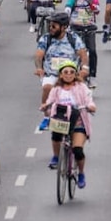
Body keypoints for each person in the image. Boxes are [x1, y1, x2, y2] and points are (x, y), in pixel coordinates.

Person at [43, 60, 96, 188]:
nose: (68, 74)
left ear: (75, 74)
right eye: (65, 72)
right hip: (61, 120)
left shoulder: (81, 87)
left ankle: (81, 173)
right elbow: (49, 103)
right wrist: (46, 107)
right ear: (60, 75)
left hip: (78, 121)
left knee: (77, 150)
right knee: (55, 135)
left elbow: (89, 99)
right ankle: (56, 157)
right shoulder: (56, 90)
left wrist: (91, 106)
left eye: (72, 72)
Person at [34, 12, 88, 130]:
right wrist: (39, 68)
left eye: (54, 26)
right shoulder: (46, 38)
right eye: (50, 25)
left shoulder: (73, 38)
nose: (51, 28)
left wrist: (84, 68)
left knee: (81, 92)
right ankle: (47, 117)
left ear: (64, 27)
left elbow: (83, 54)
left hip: (70, 75)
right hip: (52, 74)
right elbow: (38, 55)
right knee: (47, 87)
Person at [65, 0, 101, 84]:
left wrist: (91, 4)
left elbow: (97, 10)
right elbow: (67, 9)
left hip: (89, 27)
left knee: (93, 51)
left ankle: (93, 76)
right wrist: (66, 22)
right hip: (76, 27)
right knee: (72, 51)